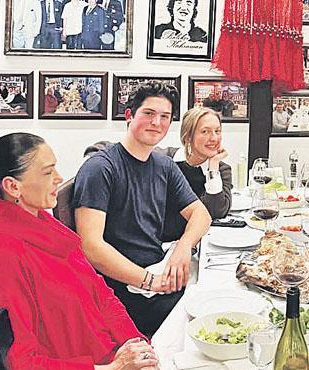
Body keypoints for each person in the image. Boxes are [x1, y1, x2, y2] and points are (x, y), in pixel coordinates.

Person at [0, 133, 158, 370]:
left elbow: (102, 297)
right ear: (13, 186)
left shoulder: (46, 226)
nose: (58, 177)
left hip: (116, 369)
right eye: (48, 172)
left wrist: (139, 349)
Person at [73, 82, 211, 336]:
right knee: (209, 317)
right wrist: (150, 282)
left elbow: (200, 214)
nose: (156, 123)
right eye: (148, 113)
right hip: (123, 290)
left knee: (219, 291)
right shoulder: (100, 168)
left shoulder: (163, 165)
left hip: (157, 271)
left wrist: (184, 246)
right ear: (129, 115)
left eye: (165, 117)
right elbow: (91, 246)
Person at [162, 107, 233, 241]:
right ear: (188, 137)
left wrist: (213, 167)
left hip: (199, 242)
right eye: (205, 131)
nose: (214, 138)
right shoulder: (165, 159)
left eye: (217, 131)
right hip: (160, 241)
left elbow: (217, 212)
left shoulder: (222, 169)